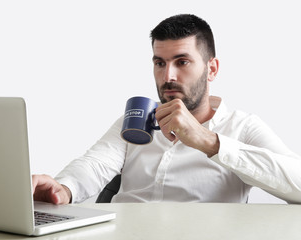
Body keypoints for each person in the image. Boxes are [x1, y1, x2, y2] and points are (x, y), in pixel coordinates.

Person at [32, 14, 301, 204]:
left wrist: (209, 142)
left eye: (182, 62)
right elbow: (96, 164)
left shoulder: (242, 126)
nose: (168, 76)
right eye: (160, 63)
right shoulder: (137, 117)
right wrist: (64, 188)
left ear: (212, 69)